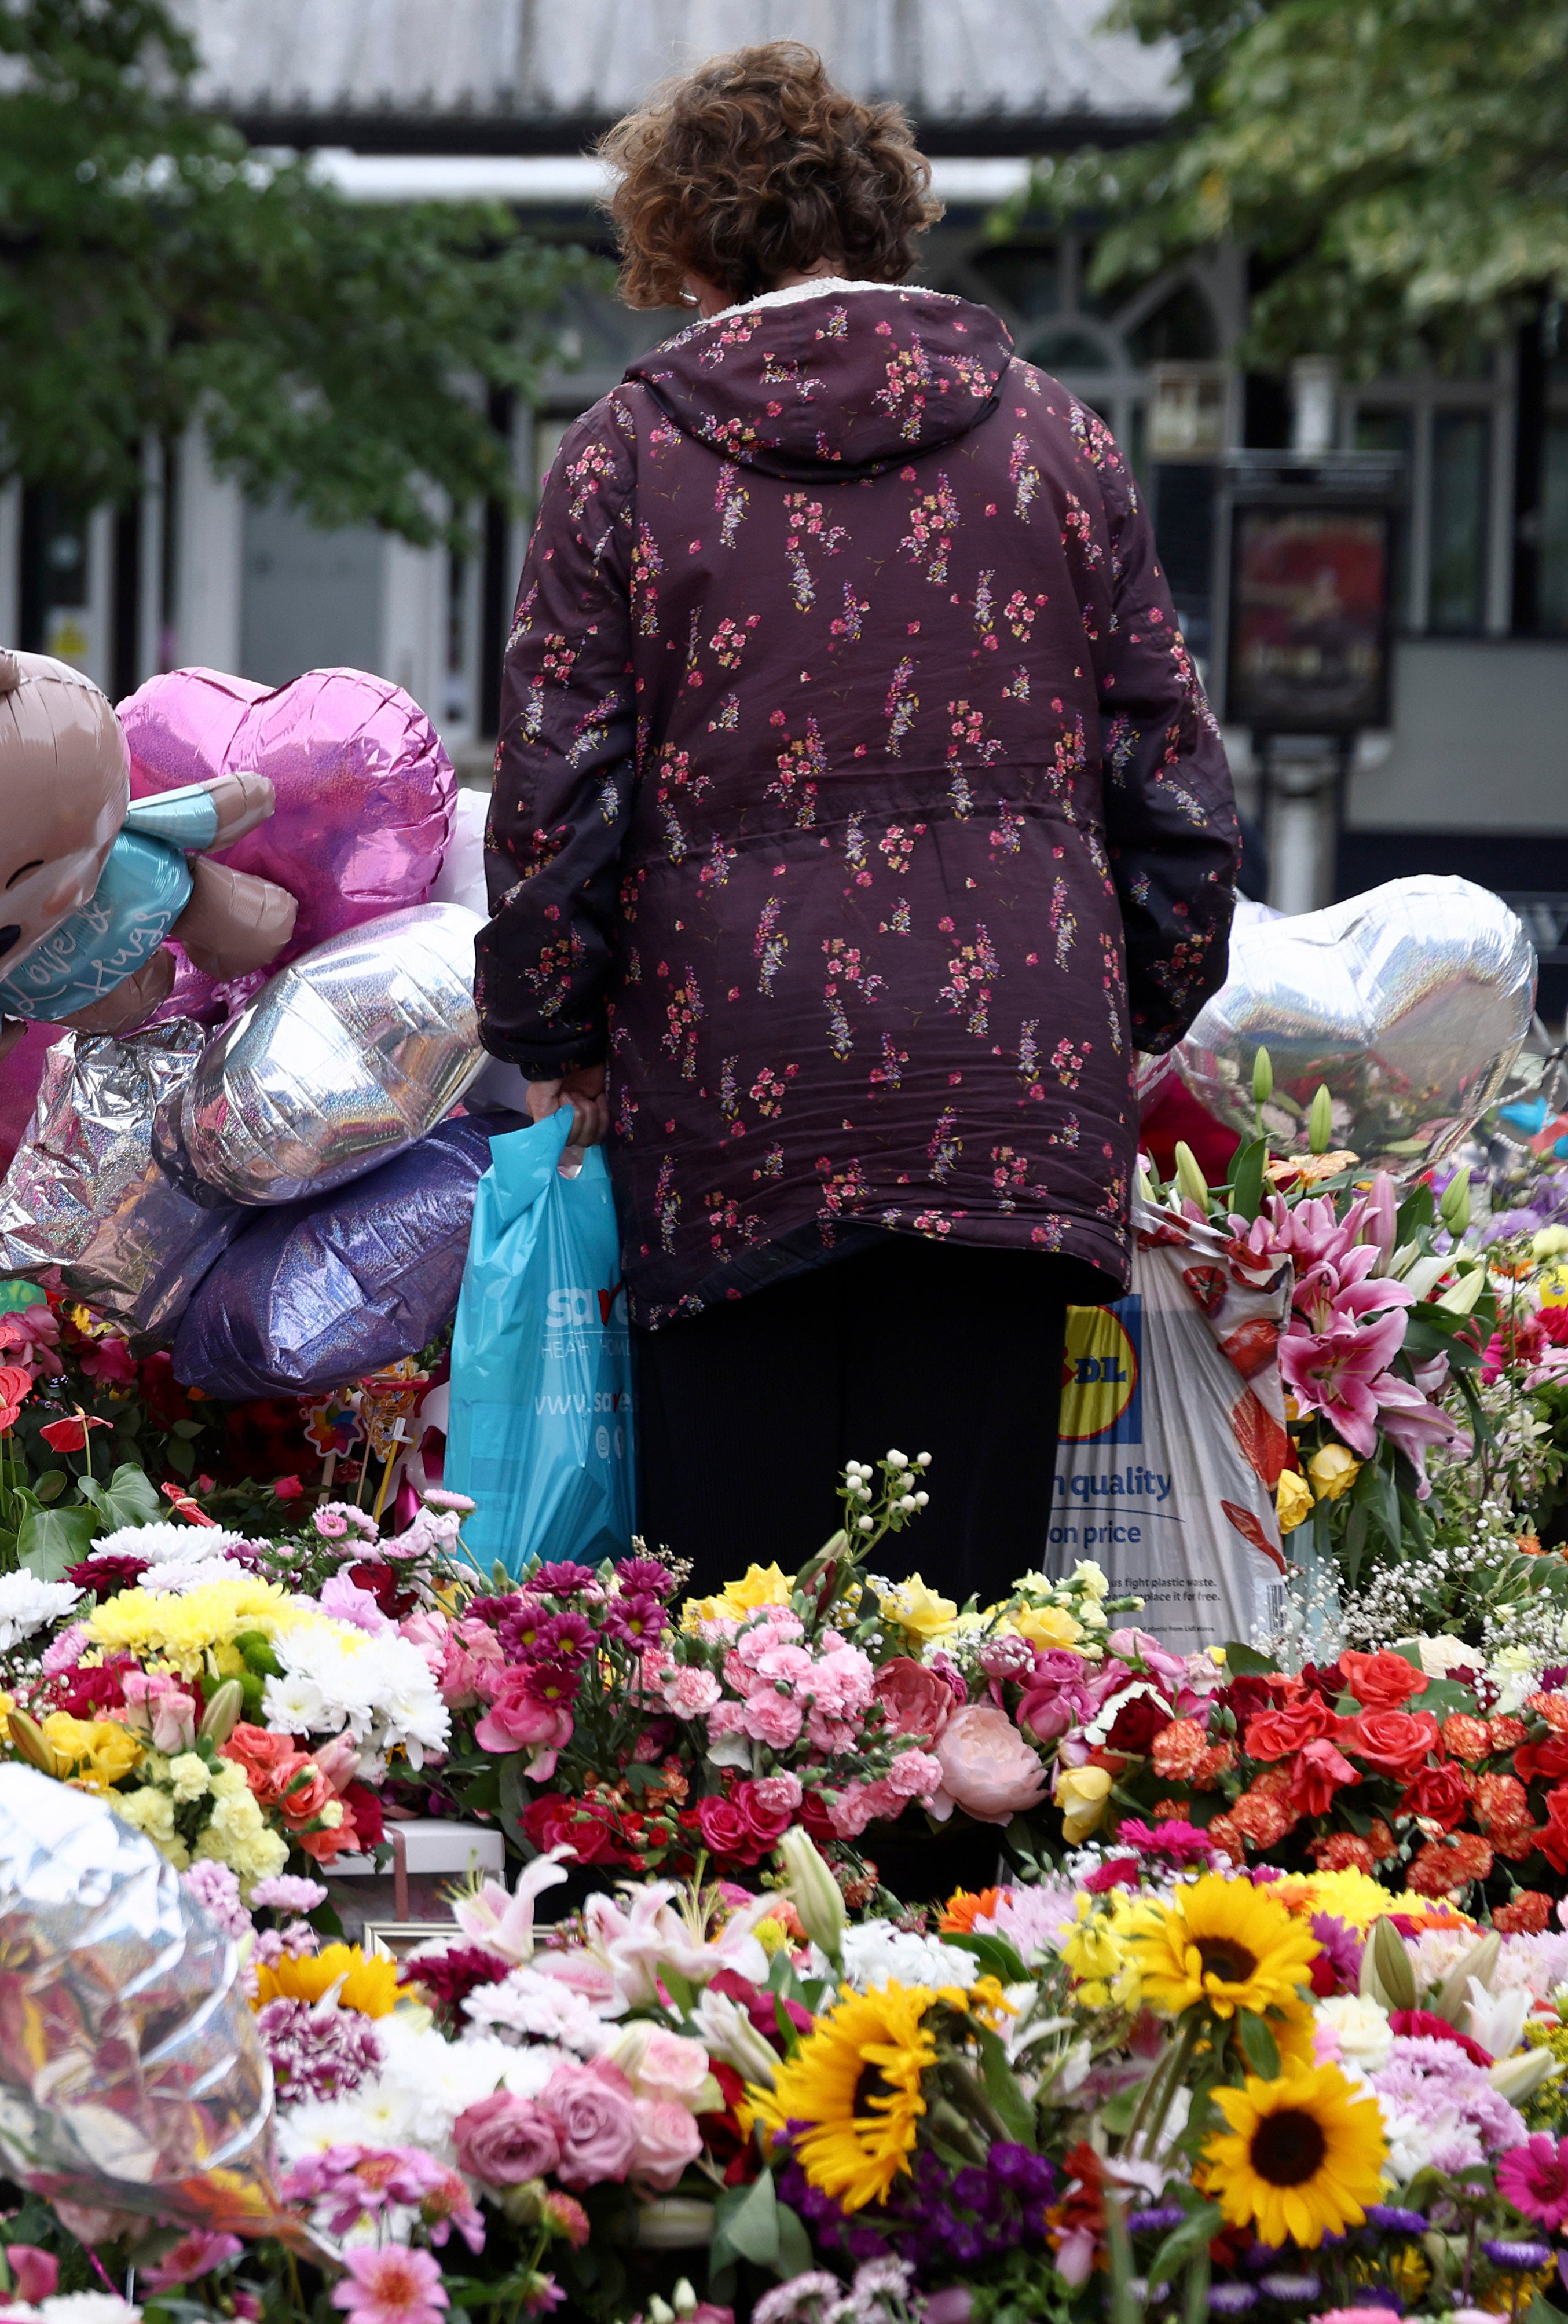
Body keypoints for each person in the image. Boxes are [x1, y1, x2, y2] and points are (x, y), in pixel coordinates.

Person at [474, 41, 1243, 1602]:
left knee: (748, 1655)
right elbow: (1175, 790)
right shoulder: (1056, 442)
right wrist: (1130, 1008)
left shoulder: (626, 458)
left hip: (727, 1101)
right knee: (958, 1647)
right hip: (1011, 1094)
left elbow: (557, 794)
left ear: (678, 239)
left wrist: (553, 1039)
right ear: (887, 218)